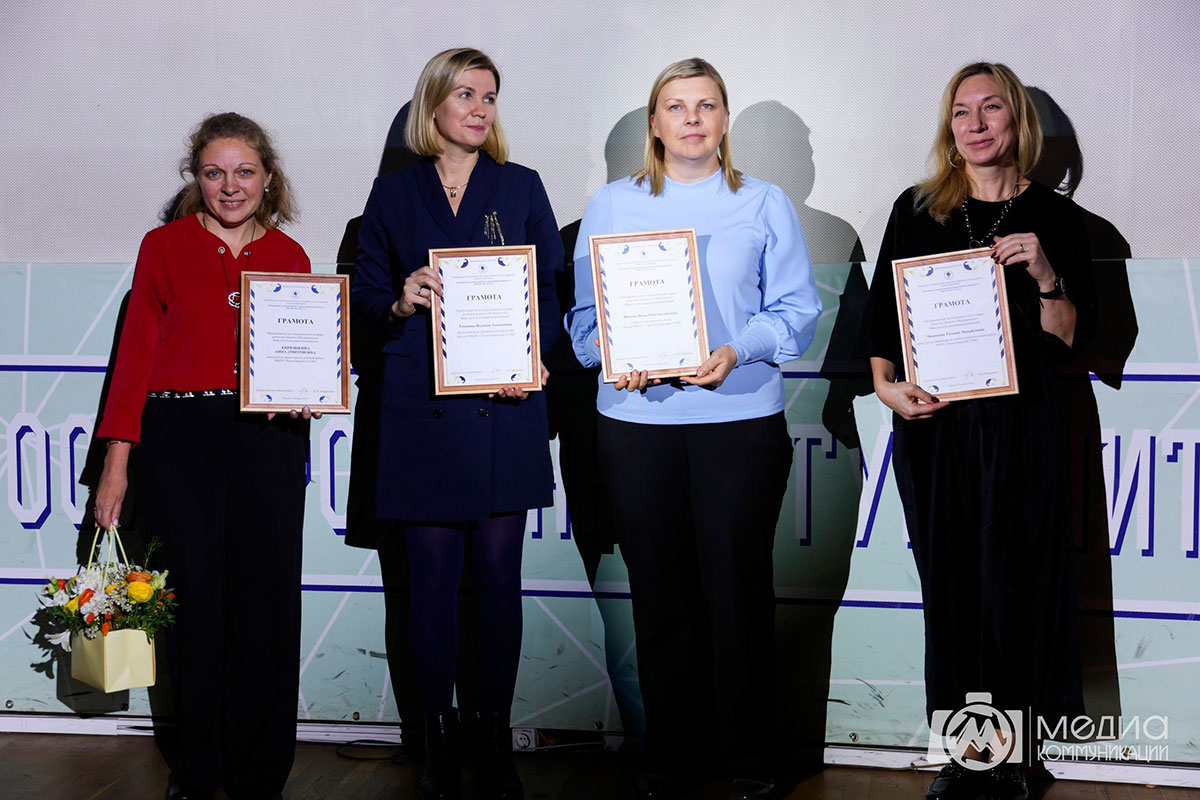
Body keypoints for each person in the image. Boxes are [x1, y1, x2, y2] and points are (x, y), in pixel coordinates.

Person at [567, 58, 821, 800]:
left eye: (706, 106)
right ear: (654, 122)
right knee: (659, 596)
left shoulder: (764, 201)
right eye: (676, 107)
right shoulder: (611, 205)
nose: (692, 120)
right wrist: (614, 357)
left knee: (737, 594)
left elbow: (797, 311)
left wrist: (738, 350)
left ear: (724, 119)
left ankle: (744, 758)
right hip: (637, 426)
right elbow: (583, 322)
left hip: (738, 422)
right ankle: (670, 757)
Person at [861, 62, 1095, 800]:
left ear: (1017, 121)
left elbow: (1070, 336)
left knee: (1020, 587)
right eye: (962, 111)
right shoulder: (916, 210)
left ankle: (1017, 757)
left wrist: (1046, 274)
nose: (977, 123)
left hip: (1026, 430)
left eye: (992, 108)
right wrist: (886, 388)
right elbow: (882, 321)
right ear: (949, 128)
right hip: (938, 430)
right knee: (954, 589)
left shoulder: (1061, 221)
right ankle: (967, 758)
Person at [350, 47, 562, 800]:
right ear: (433, 103)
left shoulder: (521, 185)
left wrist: (537, 358)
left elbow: (553, 292)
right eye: (466, 94)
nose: (479, 108)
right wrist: (399, 298)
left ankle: (494, 739)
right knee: (429, 586)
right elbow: (363, 298)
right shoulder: (392, 193)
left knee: (498, 583)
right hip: (420, 413)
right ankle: (433, 743)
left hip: (506, 409)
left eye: (490, 97)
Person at [93, 112, 313, 800]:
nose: (231, 186)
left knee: (265, 606)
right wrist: (117, 462)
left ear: (268, 178)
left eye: (245, 171)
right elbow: (135, 357)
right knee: (193, 605)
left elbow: (309, 354)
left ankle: (260, 771)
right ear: (197, 178)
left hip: (268, 442)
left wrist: (309, 391)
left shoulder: (291, 256)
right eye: (215, 173)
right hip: (179, 439)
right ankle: (197, 767)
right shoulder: (162, 247)